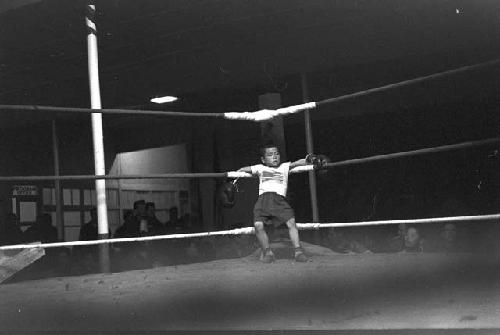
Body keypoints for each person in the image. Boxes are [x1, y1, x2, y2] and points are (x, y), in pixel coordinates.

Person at [237, 144, 327, 263]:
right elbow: (244, 169)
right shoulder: (260, 168)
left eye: (276, 154)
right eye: (270, 155)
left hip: (279, 200)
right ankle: (268, 252)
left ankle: (298, 252)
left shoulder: (284, 167)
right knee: (258, 225)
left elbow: (296, 163)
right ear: (263, 159)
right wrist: (233, 177)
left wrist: (310, 159)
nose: (274, 156)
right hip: (263, 200)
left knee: (291, 222)